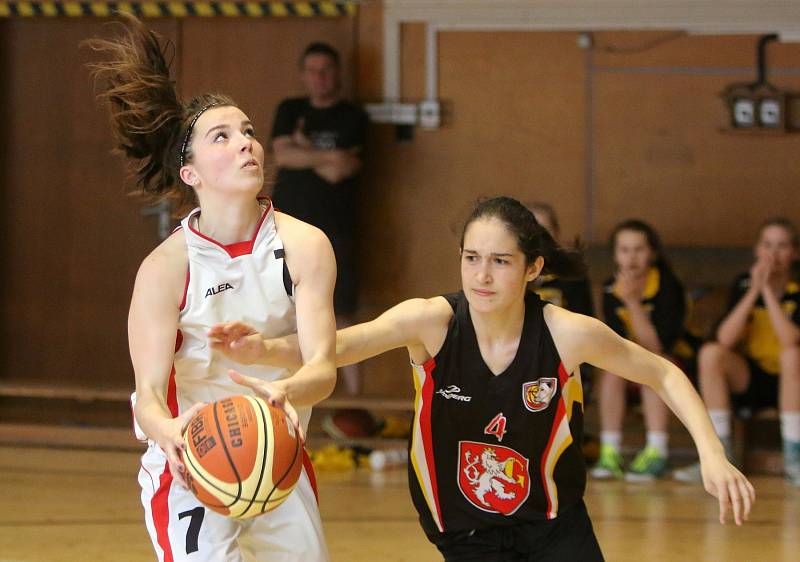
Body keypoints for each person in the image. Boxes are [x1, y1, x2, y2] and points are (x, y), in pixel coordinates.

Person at [210, 197, 754, 561]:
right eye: (472, 258)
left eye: (499, 261)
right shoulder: (432, 322)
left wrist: (711, 451)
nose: (482, 275)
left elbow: (661, 371)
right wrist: (268, 349)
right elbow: (341, 344)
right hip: (464, 528)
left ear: (533, 268)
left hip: (554, 522)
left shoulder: (566, 333)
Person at [86, 16, 336, 561]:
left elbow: (322, 368)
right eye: (221, 136)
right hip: (190, 462)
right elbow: (149, 395)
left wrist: (288, 391)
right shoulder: (165, 268)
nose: (245, 143)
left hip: (276, 454)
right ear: (191, 172)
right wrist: (171, 432)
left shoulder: (306, 244)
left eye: (247, 131)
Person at [270, 42, 368, 399]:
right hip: (285, 229)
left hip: (337, 230)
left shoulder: (352, 116)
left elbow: (342, 169)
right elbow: (282, 155)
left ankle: (354, 401)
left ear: (337, 73)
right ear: (302, 75)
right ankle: (289, 390)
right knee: (285, 312)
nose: (319, 77)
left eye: (326, 70)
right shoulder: (290, 109)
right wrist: (325, 157)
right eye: (312, 70)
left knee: (341, 312)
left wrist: (304, 149)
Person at [674, 218, 800, 486]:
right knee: (711, 354)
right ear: (757, 250)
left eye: (782, 246)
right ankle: (720, 456)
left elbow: (790, 339)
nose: (774, 254)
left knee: (792, 355)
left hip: (792, 380)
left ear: (794, 252)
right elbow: (725, 337)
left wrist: (767, 292)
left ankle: (794, 459)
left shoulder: (796, 288)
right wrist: (755, 289)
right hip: (752, 378)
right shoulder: (744, 284)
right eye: (767, 245)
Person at [590, 220, 686, 482]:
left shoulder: (667, 286)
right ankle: (610, 452)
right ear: (615, 255)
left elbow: (656, 347)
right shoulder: (611, 288)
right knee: (611, 370)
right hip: (628, 366)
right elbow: (612, 343)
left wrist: (632, 302)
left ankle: (657, 451)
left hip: (673, 367)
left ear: (652, 253)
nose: (631, 258)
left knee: (653, 366)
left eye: (639, 249)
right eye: (624, 250)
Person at [526, 202, 594, 317]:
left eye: (544, 230)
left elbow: (584, 318)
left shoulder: (572, 275)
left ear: (556, 233)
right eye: (531, 231)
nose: (538, 236)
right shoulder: (514, 274)